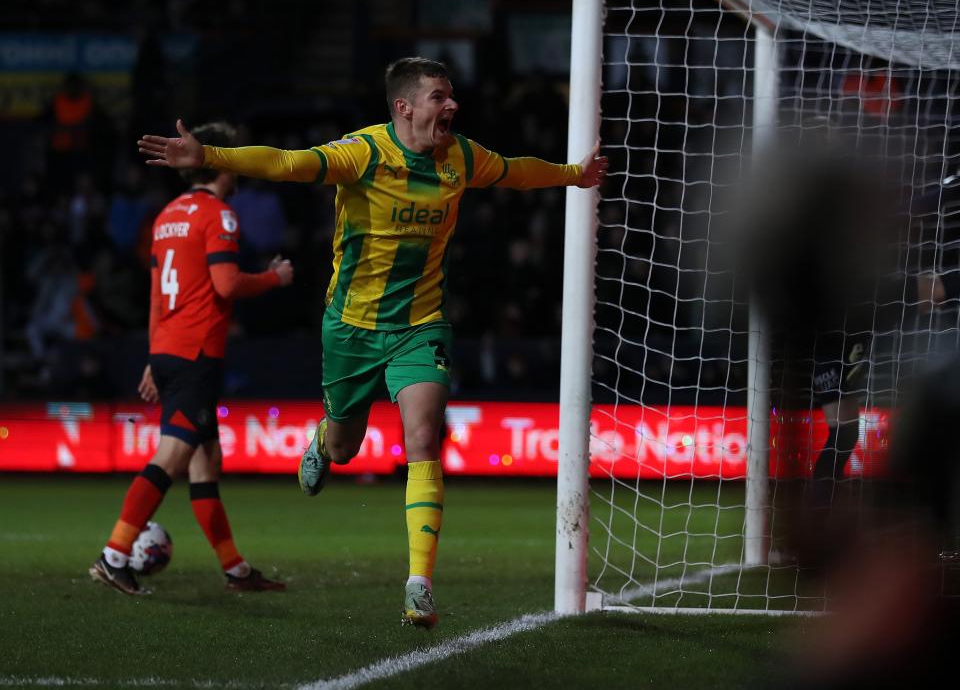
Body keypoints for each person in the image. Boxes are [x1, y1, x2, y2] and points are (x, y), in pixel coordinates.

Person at [138, 57, 609, 626]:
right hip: (352, 328)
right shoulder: (364, 153)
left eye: (452, 94)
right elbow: (287, 163)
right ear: (405, 107)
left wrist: (570, 173)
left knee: (423, 436)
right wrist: (210, 156)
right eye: (440, 96)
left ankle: (419, 583)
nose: (452, 105)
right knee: (344, 448)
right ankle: (324, 438)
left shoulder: (461, 156)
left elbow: (513, 170)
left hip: (421, 322)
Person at [90, 122, 294, 596]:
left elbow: (157, 297)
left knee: (206, 463)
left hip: (168, 347)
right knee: (173, 457)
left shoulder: (166, 216)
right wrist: (272, 279)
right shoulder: (219, 216)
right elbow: (225, 285)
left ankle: (236, 570)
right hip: (198, 352)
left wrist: (153, 355)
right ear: (219, 159)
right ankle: (114, 554)